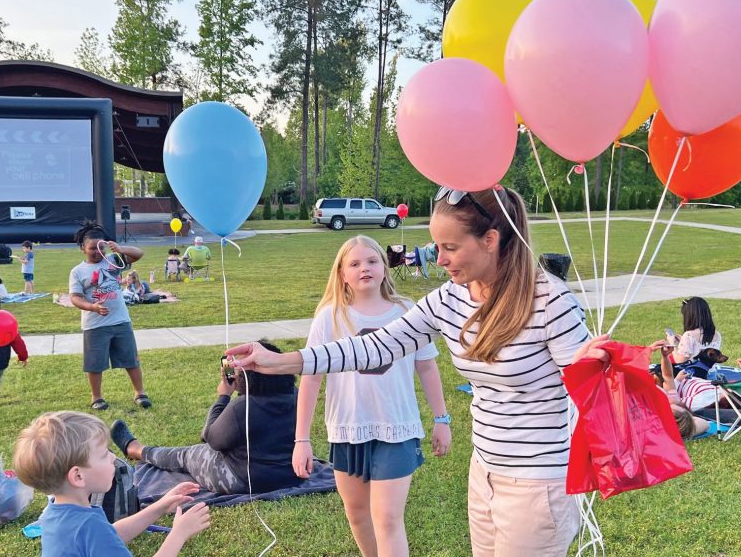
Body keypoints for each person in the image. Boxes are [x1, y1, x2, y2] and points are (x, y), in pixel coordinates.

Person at [226, 186, 602, 557]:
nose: (440, 259)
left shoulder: (550, 300)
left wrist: (607, 372)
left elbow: (592, 390)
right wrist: (277, 362)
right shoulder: (451, 298)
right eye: (437, 247)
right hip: (484, 470)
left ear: (490, 240)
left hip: (539, 482)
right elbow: (374, 347)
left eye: (450, 247)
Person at [295, 235, 450, 557]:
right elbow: (311, 377)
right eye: (354, 263)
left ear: (384, 266)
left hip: (397, 429)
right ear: (342, 274)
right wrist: (302, 440)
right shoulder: (330, 317)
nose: (364, 268)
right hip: (348, 429)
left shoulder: (406, 312)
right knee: (357, 514)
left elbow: (427, 367)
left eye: (372, 261)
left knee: (388, 518)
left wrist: (441, 419)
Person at [110, 340, 301, 495]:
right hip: (292, 475)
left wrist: (223, 396)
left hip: (244, 480)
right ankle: (140, 450)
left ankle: (137, 450)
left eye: (242, 367)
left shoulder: (242, 407)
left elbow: (211, 439)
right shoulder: (297, 395)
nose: (236, 370)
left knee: (188, 454)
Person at [13, 411, 211, 557]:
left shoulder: (56, 514)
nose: (113, 458)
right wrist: (179, 533)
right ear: (78, 476)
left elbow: (112, 534)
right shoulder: (89, 525)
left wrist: (160, 506)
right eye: (103, 454)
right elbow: (102, 534)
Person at [69, 220, 151, 411]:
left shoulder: (113, 260)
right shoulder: (78, 271)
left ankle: (140, 393)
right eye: (92, 248)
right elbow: (75, 297)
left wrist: (120, 249)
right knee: (95, 364)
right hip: (94, 324)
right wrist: (91, 307)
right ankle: (97, 397)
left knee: (131, 359)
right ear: (82, 248)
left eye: (101, 247)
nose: (98, 252)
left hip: (121, 320)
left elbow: (138, 254)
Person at [670, 297, 722, 366]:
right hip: (711, 372)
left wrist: (672, 344)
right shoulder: (717, 335)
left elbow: (680, 361)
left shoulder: (689, 335)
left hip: (692, 372)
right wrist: (682, 341)